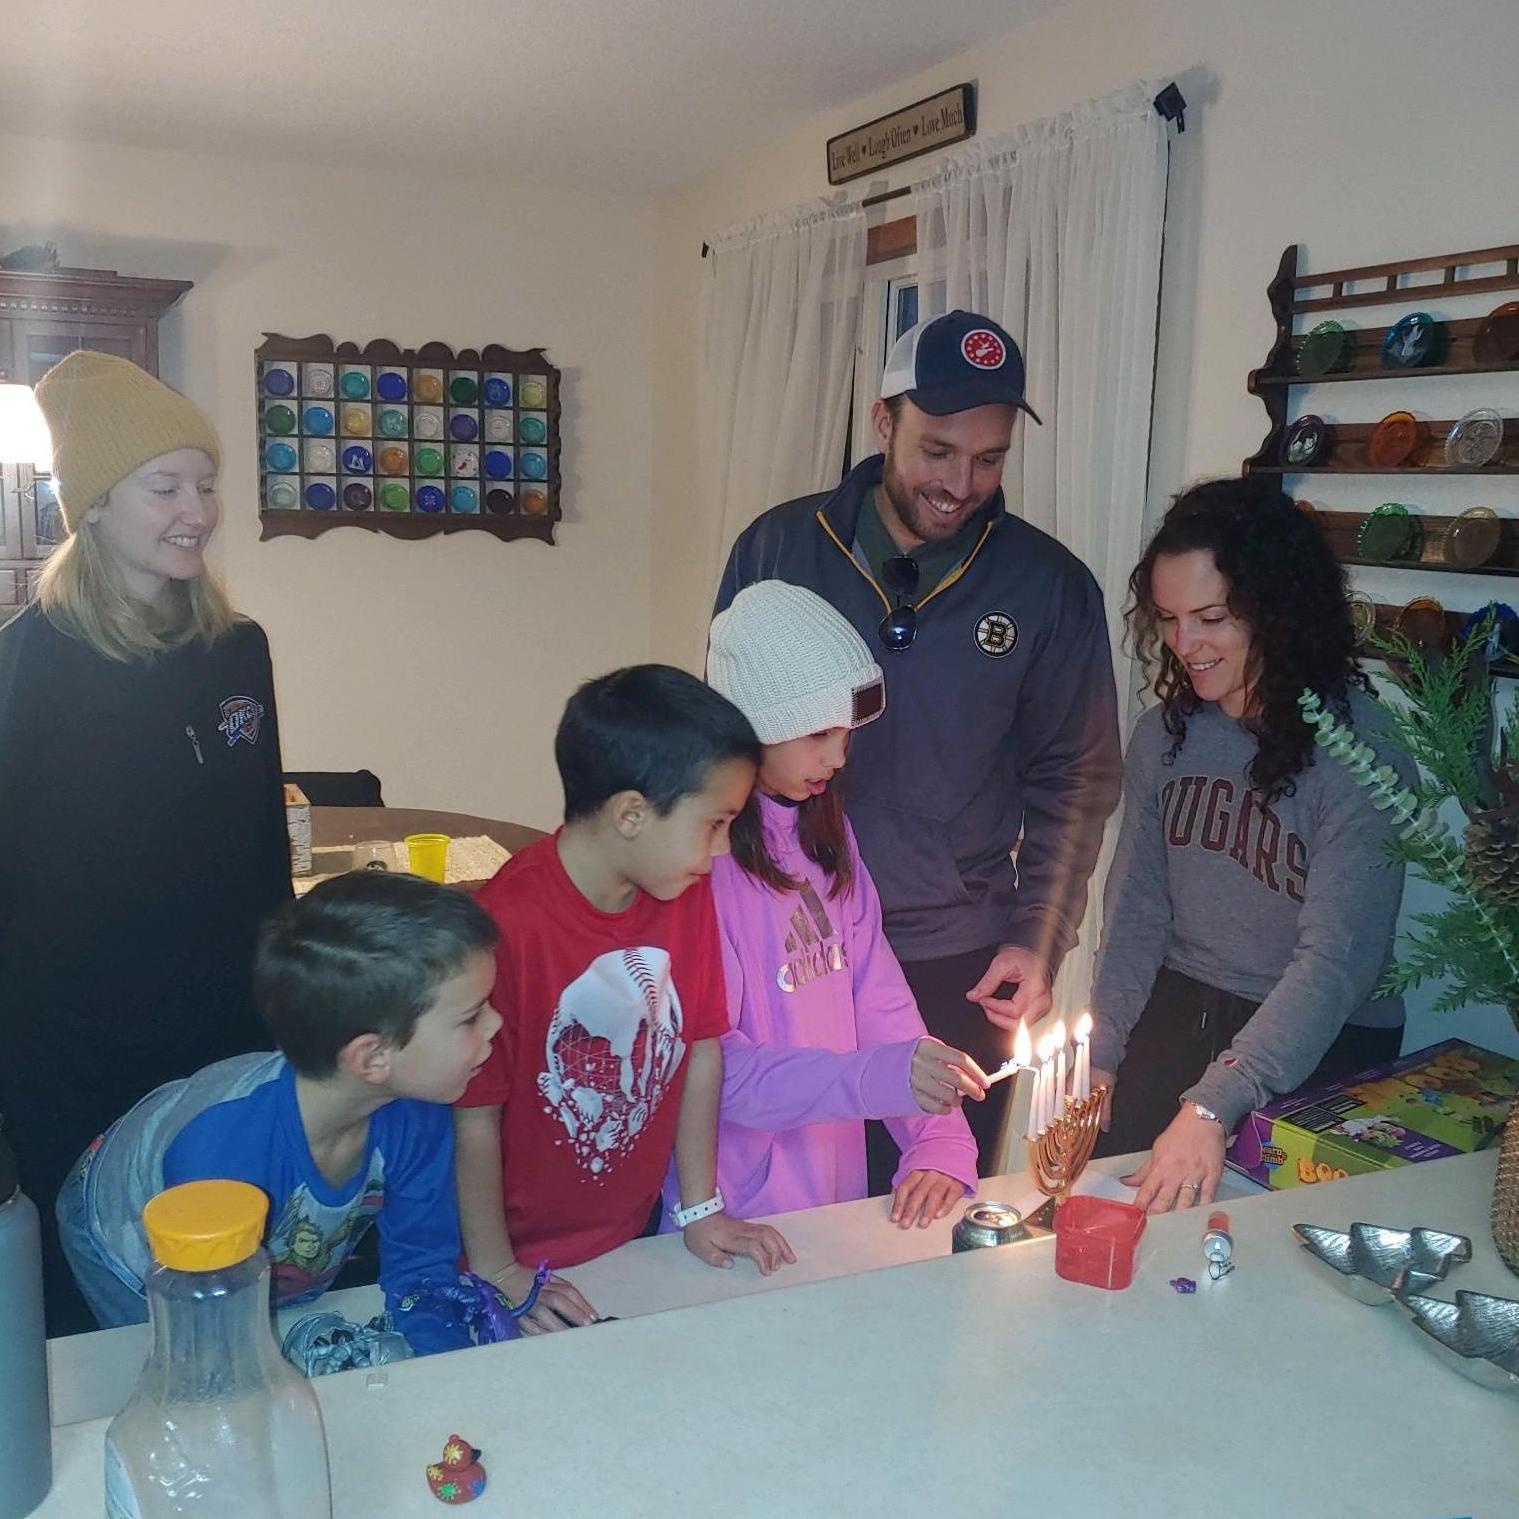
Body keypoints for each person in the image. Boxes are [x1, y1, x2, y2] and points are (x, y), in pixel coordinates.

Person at [717, 310, 1122, 1183]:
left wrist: (1037, 936)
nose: (961, 482)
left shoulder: (1050, 586)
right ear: (881, 422)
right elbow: (714, 732)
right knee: (786, 1199)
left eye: (990, 458)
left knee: (930, 1203)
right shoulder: (777, 546)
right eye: (937, 450)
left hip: (960, 960)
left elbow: (1077, 776)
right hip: (783, 945)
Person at [0, 351, 293, 1333]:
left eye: (206, 485)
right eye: (164, 487)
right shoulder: (30, 662)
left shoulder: (236, 648)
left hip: (220, 1021)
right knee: (90, 1287)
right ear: (92, 507)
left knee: (218, 1265)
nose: (197, 510)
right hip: (73, 1037)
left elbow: (260, 843)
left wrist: (277, 994)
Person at [1089, 477, 1415, 1213]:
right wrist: (1102, 1049)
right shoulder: (1164, 736)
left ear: (1275, 610)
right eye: (1169, 619)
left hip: (1317, 1037)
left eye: (1210, 618)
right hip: (1178, 1010)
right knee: (1118, 1221)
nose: (1184, 645)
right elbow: (1135, 908)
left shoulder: (1361, 751)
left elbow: (1335, 963)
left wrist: (1214, 1103)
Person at [455, 665, 795, 1334]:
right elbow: (474, 1118)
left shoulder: (681, 890)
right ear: (631, 813)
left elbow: (699, 1045)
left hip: (632, 1241)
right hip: (516, 1257)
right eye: (715, 822)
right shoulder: (506, 925)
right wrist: (497, 1270)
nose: (722, 850)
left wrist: (699, 1208)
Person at [55, 872, 498, 1354]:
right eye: (471, 1017)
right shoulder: (222, 1158)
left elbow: (421, 1270)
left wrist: (442, 1372)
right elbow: (210, 1320)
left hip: (250, 1235)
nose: (496, 1023)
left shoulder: (417, 1112)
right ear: (371, 1058)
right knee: (178, 1355)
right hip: (119, 1231)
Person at [688, 580, 985, 1229]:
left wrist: (937, 1138)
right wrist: (879, 1077)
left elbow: (877, 1000)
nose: (838, 755)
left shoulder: (828, 836)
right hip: (733, 1212)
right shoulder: (702, 865)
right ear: (749, 727)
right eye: (817, 733)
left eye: (845, 733)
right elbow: (723, 1073)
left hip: (834, 1197)